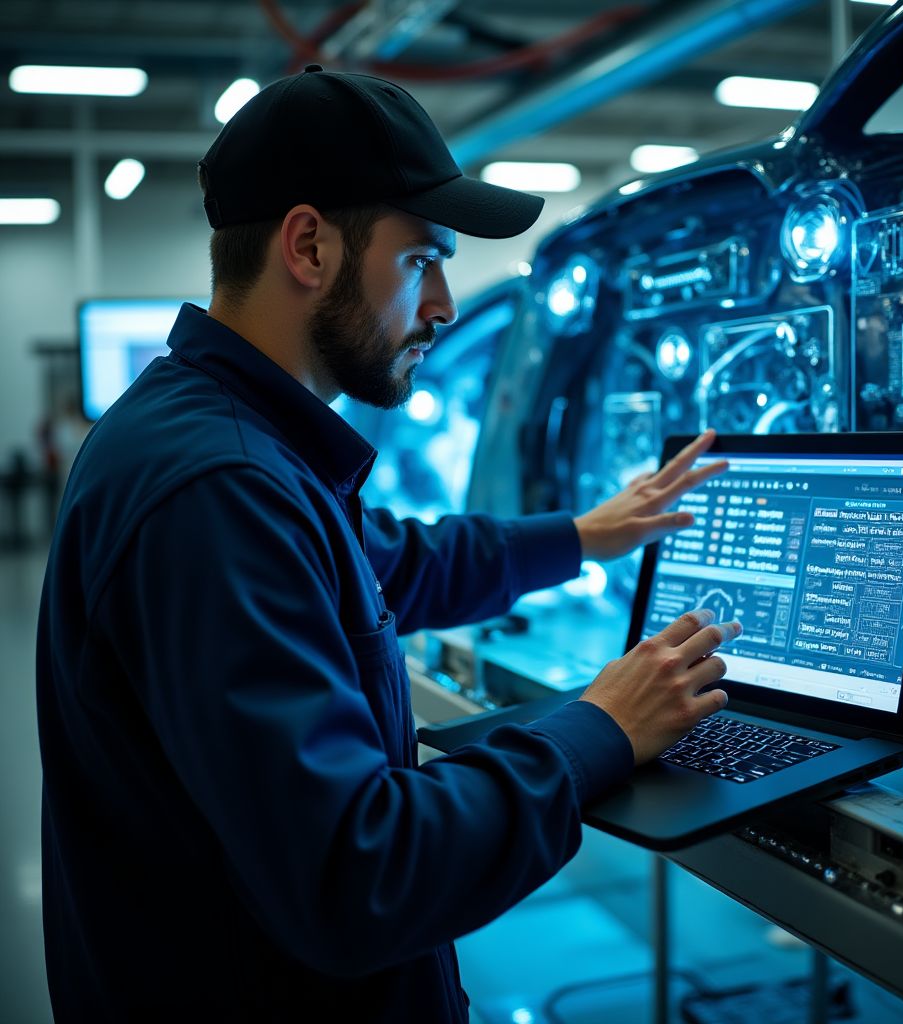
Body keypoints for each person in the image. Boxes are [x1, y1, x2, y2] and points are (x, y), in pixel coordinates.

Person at [35, 66, 738, 1022]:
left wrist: (581, 535)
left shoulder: (223, 439)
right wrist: (599, 729)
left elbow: (388, 563)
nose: (444, 305)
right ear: (309, 246)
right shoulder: (220, 489)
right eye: (422, 261)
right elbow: (357, 877)